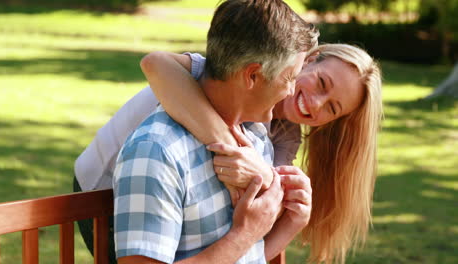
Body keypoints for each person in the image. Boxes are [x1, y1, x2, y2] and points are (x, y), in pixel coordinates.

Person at [112, 0, 318, 263]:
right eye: (289, 78)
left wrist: (290, 216)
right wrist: (245, 234)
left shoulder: (253, 135)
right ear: (252, 75)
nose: (291, 91)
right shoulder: (157, 151)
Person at [140, 43, 383, 264]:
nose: (316, 103)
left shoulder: (284, 136)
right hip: (122, 206)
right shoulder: (227, 79)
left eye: (331, 108)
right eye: (321, 82)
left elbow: (253, 236)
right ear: (309, 60)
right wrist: (236, 149)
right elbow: (155, 62)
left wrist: (292, 220)